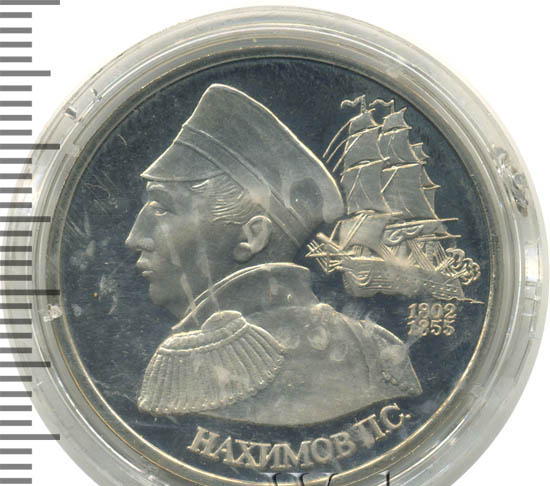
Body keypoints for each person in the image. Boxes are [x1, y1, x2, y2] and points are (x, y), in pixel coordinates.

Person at [125, 84, 421, 426]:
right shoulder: (376, 351)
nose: (135, 238)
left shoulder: (191, 359)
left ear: (251, 237)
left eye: (162, 208)